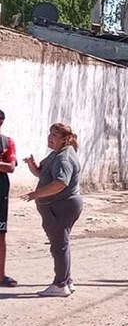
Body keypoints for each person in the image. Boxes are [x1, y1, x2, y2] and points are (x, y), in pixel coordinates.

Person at [21, 123, 84, 297]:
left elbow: (60, 183)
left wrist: (37, 194)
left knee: (59, 246)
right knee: (61, 244)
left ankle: (60, 284)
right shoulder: (57, 154)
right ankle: (66, 280)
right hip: (58, 206)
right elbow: (43, 174)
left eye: (55, 134)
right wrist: (32, 166)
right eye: (50, 133)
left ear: (65, 139)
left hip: (62, 206)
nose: (50, 137)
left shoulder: (64, 157)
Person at [0, 109, 18, 287]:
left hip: (0, 193)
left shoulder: (7, 142)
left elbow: (11, 167)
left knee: (0, 234)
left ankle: (1, 276)